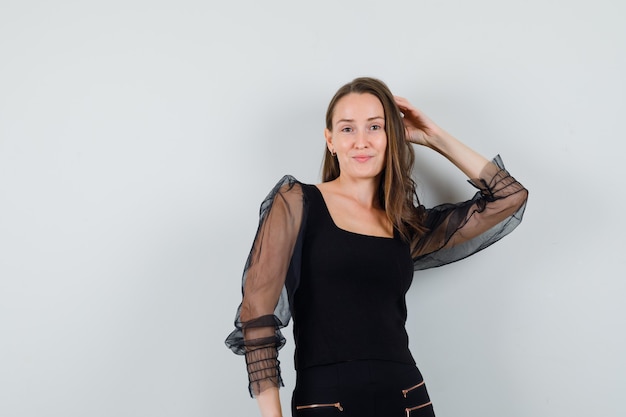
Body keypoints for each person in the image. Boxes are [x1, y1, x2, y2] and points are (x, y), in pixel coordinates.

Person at [225, 77, 528, 417]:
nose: (362, 141)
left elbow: (509, 198)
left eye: (375, 127)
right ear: (330, 140)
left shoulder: (405, 223)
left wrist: (433, 136)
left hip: (408, 397)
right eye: (347, 129)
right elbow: (257, 319)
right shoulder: (297, 202)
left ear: (390, 138)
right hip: (326, 401)